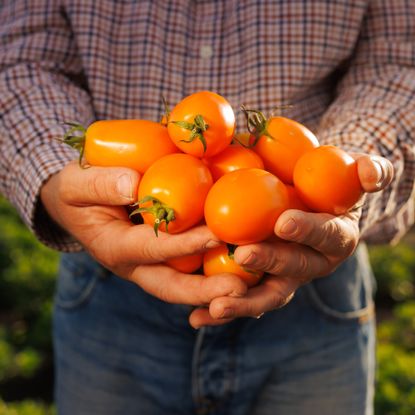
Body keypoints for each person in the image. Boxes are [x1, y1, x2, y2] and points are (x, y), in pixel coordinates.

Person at [0, 1, 413, 414]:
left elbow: (402, 62)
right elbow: (17, 57)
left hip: (310, 280)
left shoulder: (245, 165)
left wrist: (347, 177)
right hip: (107, 276)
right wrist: (55, 175)